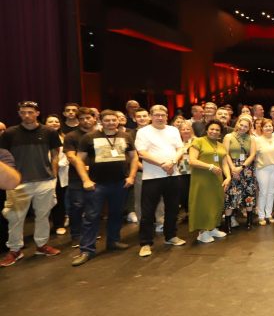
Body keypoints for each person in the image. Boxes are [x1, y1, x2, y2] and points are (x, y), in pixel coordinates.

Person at [70, 110, 139, 266]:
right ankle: (87, 250)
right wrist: (85, 180)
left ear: (118, 121)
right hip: (97, 184)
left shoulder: (126, 136)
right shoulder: (89, 137)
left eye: (113, 120)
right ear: (100, 121)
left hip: (120, 183)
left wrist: (131, 177)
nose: (111, 123)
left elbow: (134, 157)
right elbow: (78, 161)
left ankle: (113, 242)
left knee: (116, 214)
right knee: (91, 217)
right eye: (107, 120)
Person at [0, 101, 62, 267]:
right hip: (19, 184)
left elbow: (55, 154)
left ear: (37, 113)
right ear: (19, 114)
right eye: (23, 112)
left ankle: (41, 246)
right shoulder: (9, 134)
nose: (26, 115)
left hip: (45, 181)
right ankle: (15, 250)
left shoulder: (49, 132)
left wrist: (54, 175)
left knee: (43, 216)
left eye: (30, 112)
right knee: (15, 218)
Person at [134, 105, 186, 257]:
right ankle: (145, 243)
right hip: (152, 177)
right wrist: (163, 164)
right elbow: (142, 153)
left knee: (172, 209)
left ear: (167, 115)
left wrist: (172, 162)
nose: (160, 117)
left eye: (163, 115)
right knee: (148, 211)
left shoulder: (173, 130)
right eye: (156, 115)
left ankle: (170, 236)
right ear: (151, 116)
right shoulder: (143, 132)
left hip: (173, 174)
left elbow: (180, 149)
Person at [187, 121, 231, 243]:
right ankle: (202, 232)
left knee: (216, 203)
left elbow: (224, 163)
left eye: (217, 130)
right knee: (203, 204)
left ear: (220, 133)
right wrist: (209, 166)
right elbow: (192, 161)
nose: (214, 131)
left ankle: (212, 228)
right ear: (207, 130)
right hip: (202, 179)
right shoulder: (198, 141)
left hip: (217, 180)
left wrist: (228, 177)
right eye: (212, 129)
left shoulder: (221, 145)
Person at [62, 107, 98, 246]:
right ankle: (76, 234)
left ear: (94, 118)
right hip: (77, 176)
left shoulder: (100, 135)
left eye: (88, 118)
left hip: (97, 176)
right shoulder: (71, 136)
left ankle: (90, 232)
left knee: (93, 206)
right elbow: (71, 156)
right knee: (77, 205)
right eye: (81, 119)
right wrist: (82, 166)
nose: (85, 121)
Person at [222, 116, 257, 229]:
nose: (242, 128)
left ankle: (249, 222)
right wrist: (233, 168)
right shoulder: (228, 136)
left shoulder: (251, 138)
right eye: (241, 125)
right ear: (237, 124)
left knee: (249, 194)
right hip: (232, 168)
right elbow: (225, 153)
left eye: (246, 126)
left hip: (246, 169)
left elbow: (252, 155)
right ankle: (228, 224)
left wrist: (241, 167)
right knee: (231, 195)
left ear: (249, 128)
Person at [252, 119, 274, 226]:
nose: (268, 128)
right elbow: (253, 155)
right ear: (261, 128)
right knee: (263, 192)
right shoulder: (256, 140)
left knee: (271, 192)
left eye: (270, 126)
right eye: (266, 126)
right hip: (262, 168)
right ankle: (261, 216)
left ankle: (269, 214)